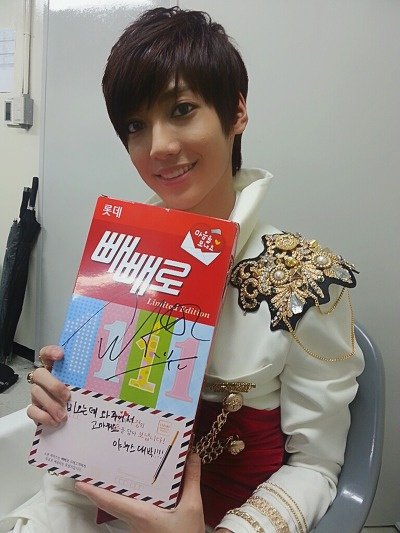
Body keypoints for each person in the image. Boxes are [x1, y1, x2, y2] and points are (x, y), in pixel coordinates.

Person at [0, 7, 364, 533]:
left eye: (182, 110)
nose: (159, 147)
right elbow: (82, 462)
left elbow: (316, 466)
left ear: (236, 111)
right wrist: (65, 405)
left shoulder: (301, 281)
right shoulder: (121, 254)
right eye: (136, 125)